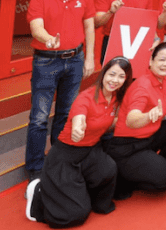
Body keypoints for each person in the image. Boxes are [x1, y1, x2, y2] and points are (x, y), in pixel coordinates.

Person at [25, 58, 132, 226]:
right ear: (103, 74)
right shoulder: (86, 97)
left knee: (109, 169)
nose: (115, 80)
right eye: (112, 74)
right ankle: (38, 193)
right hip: (66, 154)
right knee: (75, 214)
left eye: (121, 76)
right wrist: (77, 128)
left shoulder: (117, 97)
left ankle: (84, 196)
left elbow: (108, 121)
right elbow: (78, 116)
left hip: (90, 150)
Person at [25, 0, 96, 181]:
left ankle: (58, 160)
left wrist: (90, 58)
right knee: (39, 116)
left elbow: (89, 27)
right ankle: (35, 168)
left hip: (75, 60)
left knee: (66, 113)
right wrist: (48, 39)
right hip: (46, 62)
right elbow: (36, 27)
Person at [106, 43, 166, 199]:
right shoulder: (142, 86)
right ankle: (126, 176)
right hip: (127, 146)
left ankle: (153, 167)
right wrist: (148, 116)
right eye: (162, 59)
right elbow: (131, 120)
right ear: (151, 61)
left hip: (148, 137)